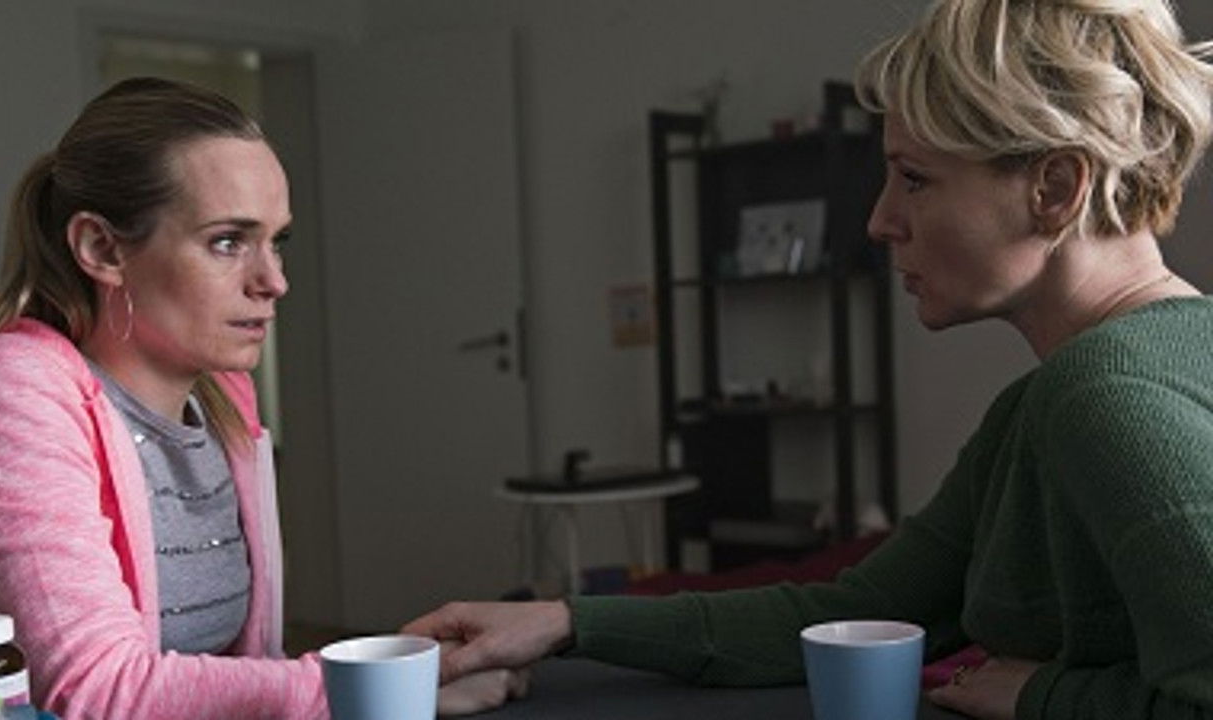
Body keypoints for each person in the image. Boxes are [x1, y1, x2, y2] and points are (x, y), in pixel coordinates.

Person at [404, 1, 1213, 718]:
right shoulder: (1052, 401)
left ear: (1056, 188)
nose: (880, 220)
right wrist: (565, 621)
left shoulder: (1103, 396)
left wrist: (1045, 697)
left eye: (914, 179)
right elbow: (855, 613)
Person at [0, 77, 524, 719]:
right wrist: (375, 691)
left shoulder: (223, 395)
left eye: (276, 242)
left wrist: (396, 670)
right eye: (227, 241)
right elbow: (93, 693)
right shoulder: (12, 391)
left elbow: (239, 672)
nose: (274, 281)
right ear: (102, 248)